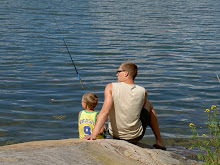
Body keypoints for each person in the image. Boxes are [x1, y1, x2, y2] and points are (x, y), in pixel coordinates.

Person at [83, 62, 166, 150]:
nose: (116, 74)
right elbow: (140, 109)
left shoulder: (110, 87)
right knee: (148, 104)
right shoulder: (143, 91)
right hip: (136, 136)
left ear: (126, 73)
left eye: (118, 72)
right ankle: (159, 141)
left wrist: (93, 135)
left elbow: (105, 112)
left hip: (115, 135)